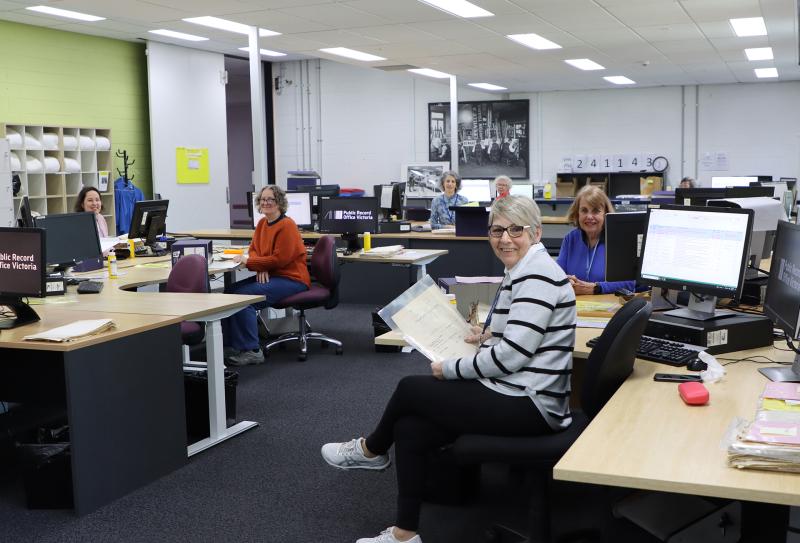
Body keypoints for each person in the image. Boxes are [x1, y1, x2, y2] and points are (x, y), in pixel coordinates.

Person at [321, 196, 576, 543]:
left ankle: (372, 450)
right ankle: (404, 534)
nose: (505, 239)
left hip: (532, 403)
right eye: (497, 230)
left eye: (516, 230)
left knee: (411, 389)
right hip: (521, 391)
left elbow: (512, 356)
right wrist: (487, 335)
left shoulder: (536, 275)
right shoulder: (526, 267)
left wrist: (452, 368)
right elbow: (520, 336)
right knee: (410, 428)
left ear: (536, 233)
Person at [222, 185, 310, 366]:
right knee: (229, 292)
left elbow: (279, 260)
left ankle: (252, 351)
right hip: (272, 274)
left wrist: (254, 263)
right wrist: (261, 266)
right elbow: (254, 250)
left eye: (270, 199)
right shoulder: (262, 223)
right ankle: (232, 346)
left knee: (244, 299)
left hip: (292, 278)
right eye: (263, 199)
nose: (266, 202)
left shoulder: (287, 225)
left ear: (279, 202)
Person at [556, 185, 636, 295]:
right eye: (584, 210)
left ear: (605, 213)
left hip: (609, 304)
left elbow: (630, 283)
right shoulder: (570, 239)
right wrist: (567, 281)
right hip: (576, 303)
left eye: (596, 211)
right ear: (577, 213)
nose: (589, 216)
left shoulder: (619, 239)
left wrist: (596, 288)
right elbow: (557, 275)